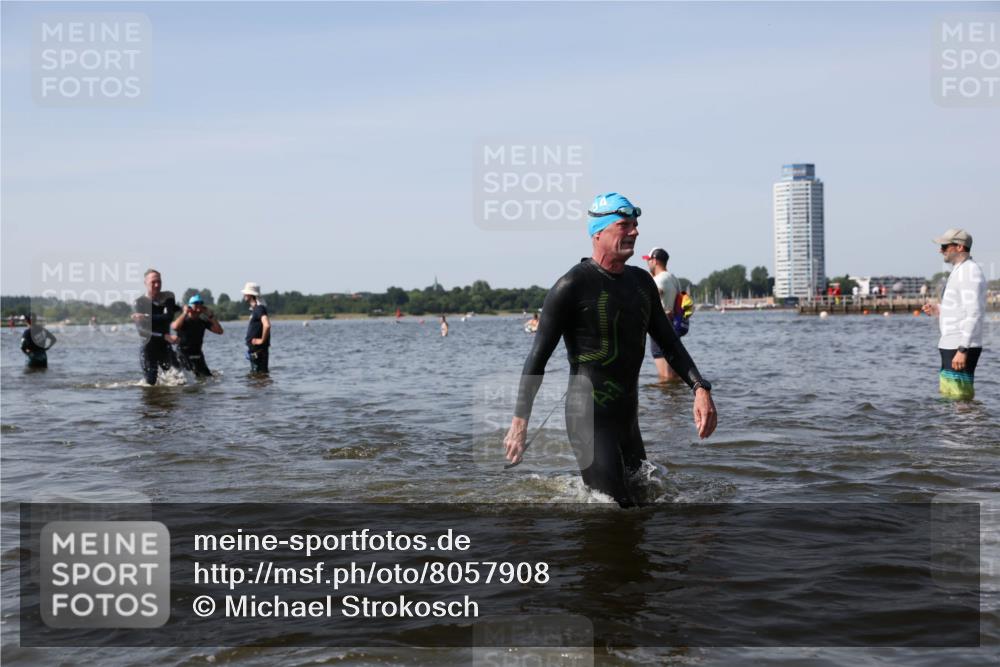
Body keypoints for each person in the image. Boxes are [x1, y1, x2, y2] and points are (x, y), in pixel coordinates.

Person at [503, 192, 717, 507]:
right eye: (624, 225)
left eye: (636, 224)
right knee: (618, 508)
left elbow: (669, 342)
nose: (635, 232)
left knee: (645, 504)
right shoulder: (572, 286)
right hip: (588, 417)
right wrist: (519, 424)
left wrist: (700, 387)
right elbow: (537, 358)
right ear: (598, 233)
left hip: (628, 418)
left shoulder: (642, 283)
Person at [921, 229, 986, 400]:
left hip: (960, 346)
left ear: (959, 247)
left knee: (960, 400)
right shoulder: (960, 270)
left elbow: (974, 312)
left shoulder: (970, 272)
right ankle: (956, 427)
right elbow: (961, 308)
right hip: (951, 345)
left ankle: (968, 427)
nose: (940, 250)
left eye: (944, 246)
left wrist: (963, 349)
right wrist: (939, 310)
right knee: (950, 398)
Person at [132, 269, 180, 385]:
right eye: (153, 282)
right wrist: (164, 336)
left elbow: (168, 317)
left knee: (179, 380)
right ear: (145, 283)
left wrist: (146, 317)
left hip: (165, 347)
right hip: (149, 348)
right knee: (151, 384)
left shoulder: (168, 296)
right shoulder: (139, 303)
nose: (157, 285)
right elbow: (142, 331)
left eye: (159, 281)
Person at [643, 247, 683, 382]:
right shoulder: (673, 278)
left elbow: (653, 295)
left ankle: (667, 399)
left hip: (660, 325)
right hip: (673, 324)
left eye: (648, 260)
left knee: (665, 374)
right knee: (675, 367)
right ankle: (676, 395)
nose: (647, 264)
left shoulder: (659, 280)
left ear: (655, 261)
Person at [171, 294, 224, 378]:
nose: (198, 309)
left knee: (208, 377)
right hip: (183, 354)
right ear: (190, 307)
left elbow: (220, 331)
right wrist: (185, 313)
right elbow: (174, 327)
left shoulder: (203, 321)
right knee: (187, 378)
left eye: (200, 306)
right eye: (196, 306)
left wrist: (211, 316)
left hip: (198, 353)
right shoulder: (183, 319)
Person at [241, 282, 271, 373]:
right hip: (257, 352)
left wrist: (262, 340)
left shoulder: (259, 309)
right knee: (258, 379)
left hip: (259, 353)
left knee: (258, 380)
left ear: (250, 295)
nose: (244, 295)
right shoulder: (256, 309)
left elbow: (267, 325)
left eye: (245, 293)